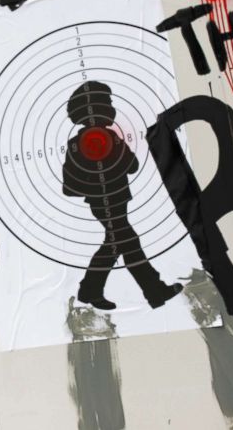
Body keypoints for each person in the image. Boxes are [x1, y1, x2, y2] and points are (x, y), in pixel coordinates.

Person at [62, 81, 182, 310]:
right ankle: (154, 292)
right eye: (107, 103)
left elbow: (131, 165)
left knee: (116, 244)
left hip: (115, 201)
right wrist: (99, 178)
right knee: (126, 243)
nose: (111, 108)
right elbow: (70, 185)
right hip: (106, 202)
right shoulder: (84, 144)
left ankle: (90, 291)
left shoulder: (102, 140)